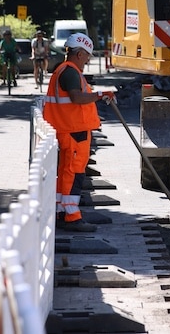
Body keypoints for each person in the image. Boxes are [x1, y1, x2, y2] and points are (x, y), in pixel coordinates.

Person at [43, 32, 116, 232]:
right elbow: (76, 98)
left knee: (67, 172)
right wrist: (100, 95)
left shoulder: (63, 70)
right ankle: (72, 217)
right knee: (73, 173)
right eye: (88, 55)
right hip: (74, 131)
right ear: (80, 53)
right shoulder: (70, 72)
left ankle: (60, 211)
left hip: (69, 129)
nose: (89, 59)